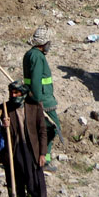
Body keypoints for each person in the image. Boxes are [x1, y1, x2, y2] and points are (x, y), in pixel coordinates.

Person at [0, 81, 48, 197]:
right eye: (11, 93)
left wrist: (42, 153)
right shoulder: (4, 109)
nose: (13, 95)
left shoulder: (35, 107)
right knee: (17, 186)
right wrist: (3, 125)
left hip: (32, 151)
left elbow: (42, 131)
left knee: (36, 186)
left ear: (23, 94)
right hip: (14, 151)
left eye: (16, 93)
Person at [23, 27, 60, 166]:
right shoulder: (37, 57)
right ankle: (43, 160)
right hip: (44, 100)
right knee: (51, 129)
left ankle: (44, 158)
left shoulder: (30, 54)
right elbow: (37, 81)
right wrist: (39, 101)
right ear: (43, 43)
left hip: (39, 99)